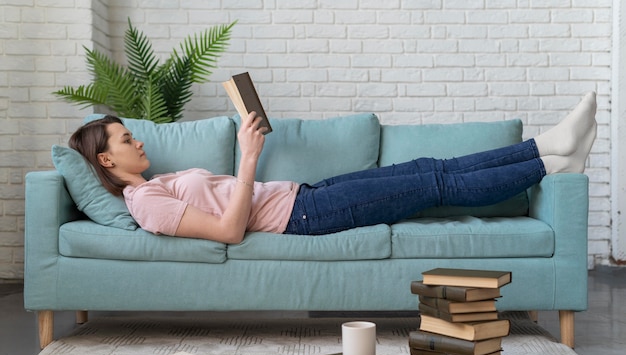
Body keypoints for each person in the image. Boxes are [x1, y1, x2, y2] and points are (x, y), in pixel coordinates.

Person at [68, 92, 597, 244]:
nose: (138, 140)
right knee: (436, 184)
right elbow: (229, 231)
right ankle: (550, 163)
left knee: (432, 166)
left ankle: (544, 148)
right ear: (107, 159)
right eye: (125, 138)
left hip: (309, 193)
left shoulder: (158, 182)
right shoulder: (145, 204)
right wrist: (248, 156)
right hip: (306, 214)